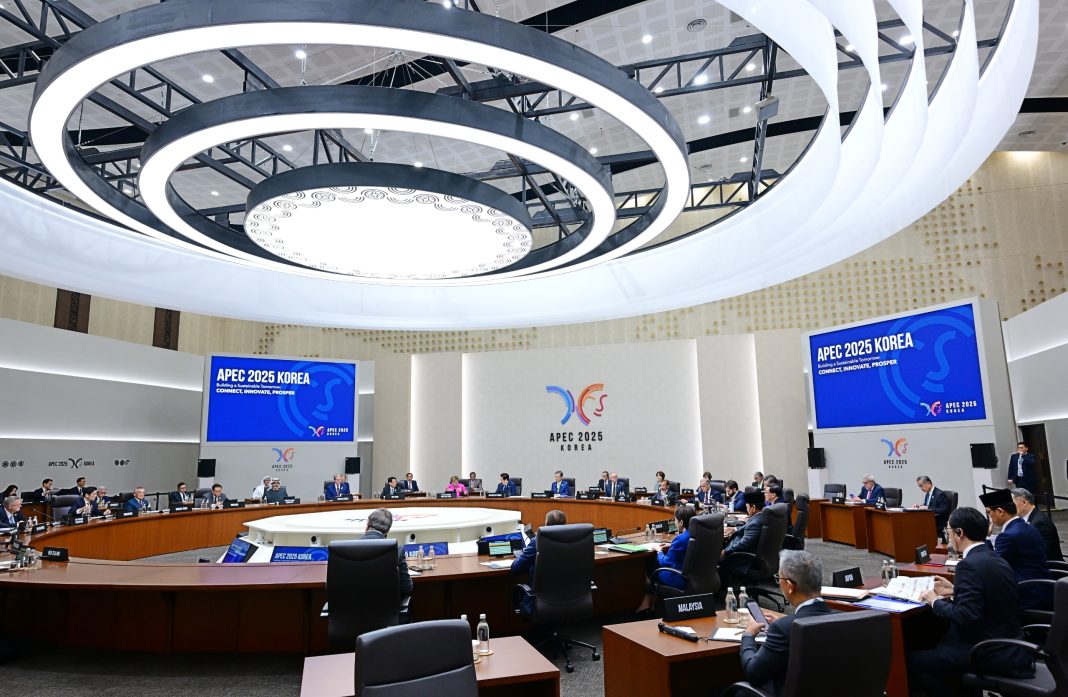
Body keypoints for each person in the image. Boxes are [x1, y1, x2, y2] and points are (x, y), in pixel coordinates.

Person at [907, 507, 1035, 694]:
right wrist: (955, 590)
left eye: (949, 531)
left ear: (959, 533)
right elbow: (991, 593)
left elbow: (967, 615)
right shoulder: (994, 557)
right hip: (1009, 643)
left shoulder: (968, 565)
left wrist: (934, 601)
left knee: (910, 661)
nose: (948, 536)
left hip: (985, 650)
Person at [739, 550, 834, 693]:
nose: (778, 582)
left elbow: (754, 674)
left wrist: (748, 635)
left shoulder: (783, 628)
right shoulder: (844, 619)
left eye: (779, 578)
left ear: (790, 586)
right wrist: (786, 622)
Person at [981, 488, 1051, 611]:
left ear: (1000, 511)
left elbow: (992, 566)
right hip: (1041, 587)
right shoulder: (1025, 526)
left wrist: (984, 537)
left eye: (988, 512)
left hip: (1027, 594)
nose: (989, 517)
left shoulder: (1008, 535)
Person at [634, 506, 695, 613]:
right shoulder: (697, 534)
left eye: (675, 520)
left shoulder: (680, 539)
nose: (675, 522)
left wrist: (659, 550)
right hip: (695, 575)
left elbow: (665, 562)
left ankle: (647, 604)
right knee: (653, 563)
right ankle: (651, 605)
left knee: (650, 563)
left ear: (681, 522)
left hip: (678, 577)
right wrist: (671, 545)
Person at [512, 509, 567, 614]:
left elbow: (516, 567)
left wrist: (521, 556)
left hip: (539, 602)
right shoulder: (574, 540)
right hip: (570, 598)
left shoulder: (537, 541)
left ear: (546, 524)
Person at [362, 509, 413, 604]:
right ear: (387, 530)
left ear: (368, 525)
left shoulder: (345, 549)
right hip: (388, 611)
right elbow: (407, 588)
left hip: (352, 611)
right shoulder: (397, 550)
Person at [1011, 487, 1064, 562]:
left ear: (1024, 502)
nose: (1010, 508)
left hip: (1049, 566)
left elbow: (1038, 553)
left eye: (1012, 504)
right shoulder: (1028, 518)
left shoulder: (1039, 522)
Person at [722, 491, 767, 563]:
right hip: (740, 547)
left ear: (753, 507)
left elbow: (743, 544)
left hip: (739, 558)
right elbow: (748, 527)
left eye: (747, 507)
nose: (747, 510)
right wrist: (735, 529)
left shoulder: (755, 523)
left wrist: (725, 552)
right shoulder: (761, 516)